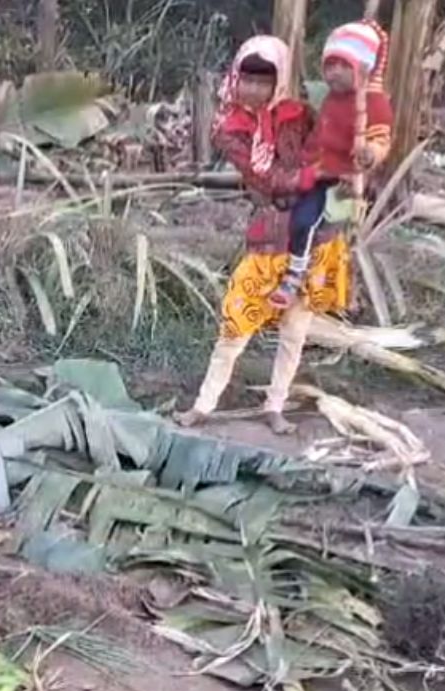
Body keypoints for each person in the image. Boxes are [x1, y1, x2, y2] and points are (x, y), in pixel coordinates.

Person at [174, 34, 349, 435]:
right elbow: (264, 179)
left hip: (312, 235)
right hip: (268, 234)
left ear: (279, 80)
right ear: (235, 78)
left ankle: (275, 406)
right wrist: (311, 176)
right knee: (236, 324)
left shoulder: (300, 113)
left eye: (263, 81)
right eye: (246, 80)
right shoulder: (229, 127)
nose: (252, 89)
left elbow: (325, 150)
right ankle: (203, 405)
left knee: (295, 330)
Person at [269, 19, 393, 309]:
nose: (333, 72)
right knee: (292, 218)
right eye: (329, 65)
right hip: (315, 172)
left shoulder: (374, 103)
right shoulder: (332, 100)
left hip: (341, 180)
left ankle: (312, 281)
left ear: (363, 67)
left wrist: (371, 153)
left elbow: (382, 138)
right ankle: (290, 271)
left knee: (321, 227)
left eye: (343, 65)